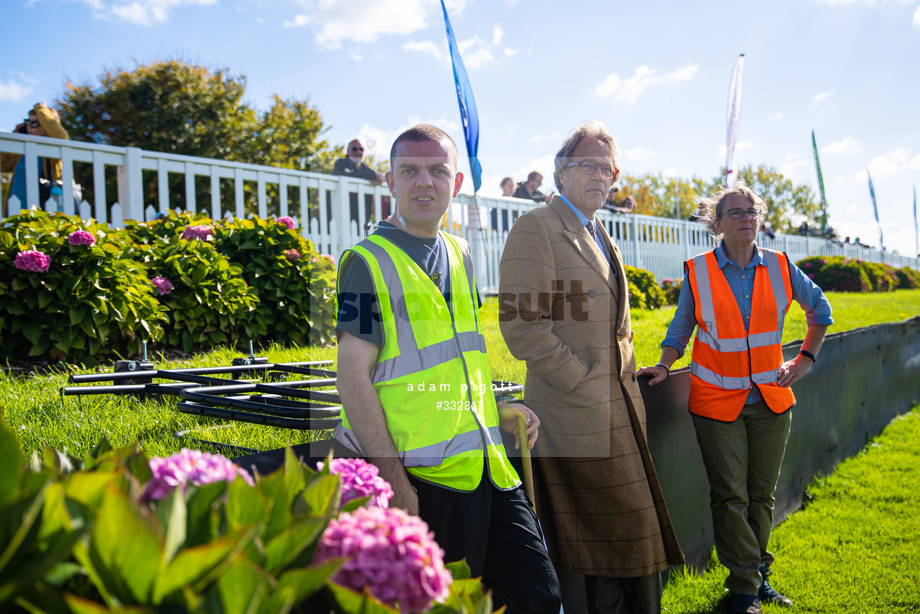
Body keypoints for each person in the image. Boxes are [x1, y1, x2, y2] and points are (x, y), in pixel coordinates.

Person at [333, 124, 561, 614]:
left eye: (438, 171)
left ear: (455, 184)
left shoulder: (458, 253)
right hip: (425, 480)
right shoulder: (366, 263)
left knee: (538, 596)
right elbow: (352, 379)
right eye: (409, 171)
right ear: (390, 182)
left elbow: (453, 362)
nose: (424, 183)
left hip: (489, 467)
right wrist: (394, 481)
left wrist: (496, 409)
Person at [498, 120, 683, 614]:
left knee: (626, 540)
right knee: (595, 545)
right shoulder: (537, 227)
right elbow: (522, 328)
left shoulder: (601, 232)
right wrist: (583, 380)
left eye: (609, 166)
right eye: (588, 164)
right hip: (570, 414)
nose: (602, 175)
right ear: (562, 172)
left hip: (621, 411)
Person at [637, 182, 833, 614]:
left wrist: (804, 361)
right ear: (717, 223)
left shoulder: (781, 266)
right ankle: (744, 588)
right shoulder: (700, 270)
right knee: (731, 496)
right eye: (736, 212)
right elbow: (680, 327)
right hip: (715, 401)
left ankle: (756, 576)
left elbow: (821, 312)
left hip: (770, 399)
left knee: (761, 496)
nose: (746, 218)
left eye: (752, 211)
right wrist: (666, 365)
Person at [2, 102, 69, 208]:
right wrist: (13, 138)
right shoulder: (22, 152)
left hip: (42, 211)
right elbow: (3, 165)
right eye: (27, 122)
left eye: (35, 123)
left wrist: (41, 109)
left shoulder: (53, 150)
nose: (29, 127)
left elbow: (61, 137)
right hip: (15, 210)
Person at [331, 138, 388, 224]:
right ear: (348, 151)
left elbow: (381, 178)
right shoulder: (341, 163)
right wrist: (373, 175)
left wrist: (376, 177)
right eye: (354, 149)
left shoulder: (365, 168)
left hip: (361, 221)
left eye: (361, 149)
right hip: (340, 218)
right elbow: (347, 176)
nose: (358, 152)